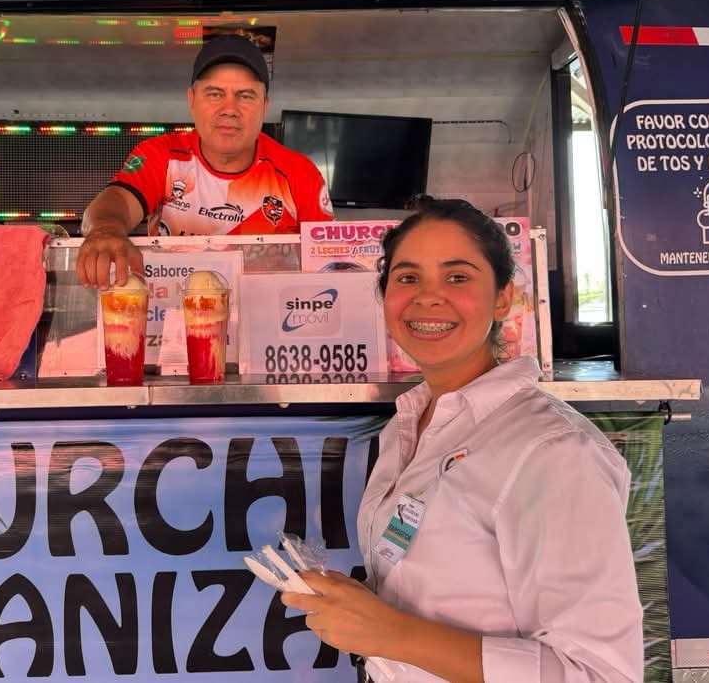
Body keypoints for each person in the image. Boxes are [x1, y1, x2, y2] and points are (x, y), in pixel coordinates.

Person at [281, 197, 643, 683]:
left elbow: (599, 674)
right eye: (407, 277)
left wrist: (390, 633)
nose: (428, 298)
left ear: (503, 298)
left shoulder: (554, 452)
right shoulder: (407, 427)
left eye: (457, 277)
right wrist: (369, 608)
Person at [76, 34, 334, 288]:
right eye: (214, 94)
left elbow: (328, 267)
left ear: (265, 106)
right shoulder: (161, 155)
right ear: (192, 100)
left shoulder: (300, 173)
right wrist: (106, 230)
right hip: (173, 310)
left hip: (267, 312)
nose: (230, 109)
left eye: (246, 96)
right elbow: (118, 200)